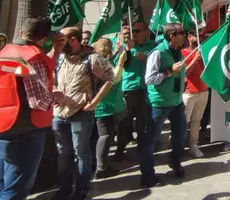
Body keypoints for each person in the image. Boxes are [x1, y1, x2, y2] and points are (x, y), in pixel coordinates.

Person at [0, 17, 65, 200]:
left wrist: (54, 53)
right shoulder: (33, 57)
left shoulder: (5, 51)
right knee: (15, 189)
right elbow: (38, 100)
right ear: (45, 38)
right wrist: (57, 97)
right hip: (24, 130)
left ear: (22, 32)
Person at [52, 27, 115, 199]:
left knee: (81, 152)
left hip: (80, 113)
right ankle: (64, 188)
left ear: (73, 40)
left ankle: (81, 188)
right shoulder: (59, 58)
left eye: (61, 40)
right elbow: (51, 77)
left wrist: (95, 102)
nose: (57, 43)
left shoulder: (92, 58)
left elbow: (111, 77)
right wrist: (54, 89)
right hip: (59, 114)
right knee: (63, 153)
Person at [141, 23, 188, 187]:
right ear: (171, 36)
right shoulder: (158, 53)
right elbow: (149, 79)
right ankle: (147, 175)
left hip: (176, 101)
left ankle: (175, 162)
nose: (184, 35)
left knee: (181, 134)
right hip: (159, 104)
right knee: (152, 140)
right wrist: (169, 72)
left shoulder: (178, 51)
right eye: (181, 33)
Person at [87, 37, 128, 179]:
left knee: (99, 137)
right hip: (104, 107)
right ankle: (101, 167)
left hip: (106, 106)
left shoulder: (99, 62)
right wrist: (121, 63)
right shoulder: (101, 64)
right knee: (104, 137)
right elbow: (113, 79)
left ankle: (96, 164)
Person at [115, 21, 156, 161]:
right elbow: (118, 64)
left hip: (145, 88)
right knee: (125, 120)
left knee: (142, 120)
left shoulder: (153, 46)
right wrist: (127, 49)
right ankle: (120, 149)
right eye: (134, 31)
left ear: (145, 32)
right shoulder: (125, 46)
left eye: (138, 31)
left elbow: (158, 62)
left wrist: (146, 59)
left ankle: (142, 148)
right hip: (129, 87)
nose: (135, 34)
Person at [182, 30, 208, 158]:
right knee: (183, 121)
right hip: (189, 92)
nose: (196, 37)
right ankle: (179, 145)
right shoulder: (184, 53)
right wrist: (194, 59)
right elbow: (184, 73)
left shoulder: (204, 50)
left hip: (203, 91)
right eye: (192, 34)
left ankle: (193, 145)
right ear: (188, 37)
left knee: (196, 120)